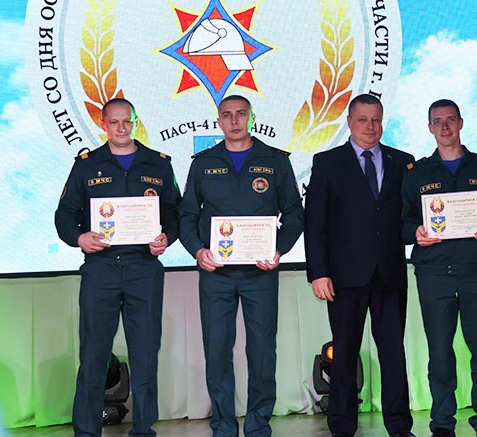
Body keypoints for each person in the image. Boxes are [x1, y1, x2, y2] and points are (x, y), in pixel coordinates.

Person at [179, 95, 304, 437]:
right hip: (216, 274)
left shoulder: (275, 161)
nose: (234, 121)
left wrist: (279, 249)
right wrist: (198, 251)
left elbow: (294, 213)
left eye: (241, 114)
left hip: (259, 273)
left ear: (252, 118)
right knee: (217, 349)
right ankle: (223, 425)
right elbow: (187, 215)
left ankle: (258, 423)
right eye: (227, 115)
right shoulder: (203, 163)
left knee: (262, 351)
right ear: (218, 121)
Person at [55, 98, 181, 437]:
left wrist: (166, 237)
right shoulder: (86, 165)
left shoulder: (158, 164)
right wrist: (80, 238)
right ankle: (86, 430)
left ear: (136, 122)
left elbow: (174, 213)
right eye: (114, 122)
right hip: (101, 268)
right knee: (94, 355)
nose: (121, 128)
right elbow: (64, 214)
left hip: (144, 267)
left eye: (127, 121)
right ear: (103, 124)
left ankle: (143, 429)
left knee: (145, 354)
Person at [304, 94, 415, 437]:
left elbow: (409, 215)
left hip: (389, 275)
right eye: (363, 120)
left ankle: (399, 426)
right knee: (344, 355)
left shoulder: (403, 162)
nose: (370, 126)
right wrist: (318, 272)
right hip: (343, 277)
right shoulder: (327, 162)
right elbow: (315, 222)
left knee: (393, 354)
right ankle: (341, 426)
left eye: (376, 120)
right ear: (349, 122)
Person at [401, 99, 477, 437]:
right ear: (429, 128)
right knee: (439, 351)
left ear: (461, 123)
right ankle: (443, 422)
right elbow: (400, 221)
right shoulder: (416, 174)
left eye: (450, 120)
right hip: (434, 272)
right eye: (438, 121)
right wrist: (415, 233)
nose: (445, 127)